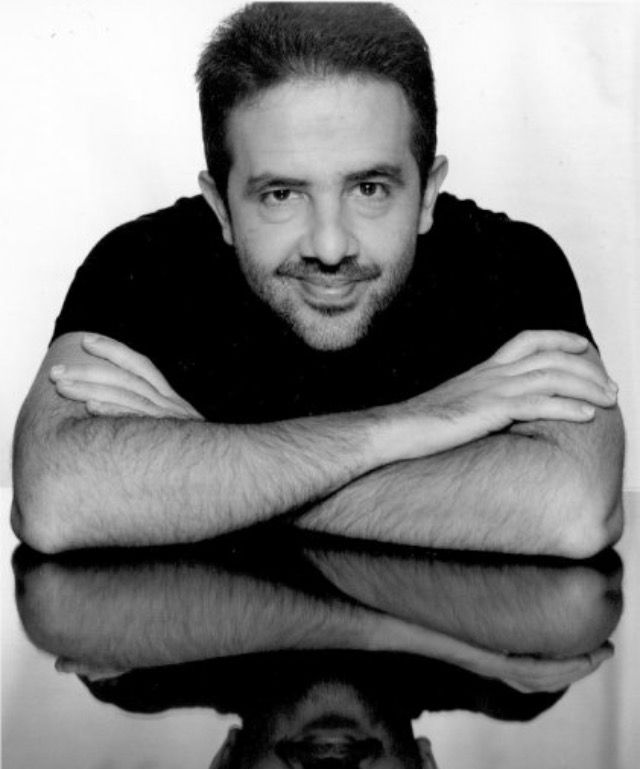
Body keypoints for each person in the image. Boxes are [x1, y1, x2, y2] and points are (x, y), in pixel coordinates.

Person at [12, 2, 624, 555]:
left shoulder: (510, 264)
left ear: (428, 193)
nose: (330, 247)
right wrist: (409, 426)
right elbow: (55, 500)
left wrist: (214, 475)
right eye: (281, 194)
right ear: (220, 206)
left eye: (369, 189)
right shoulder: (141, 265)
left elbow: (572, 511)